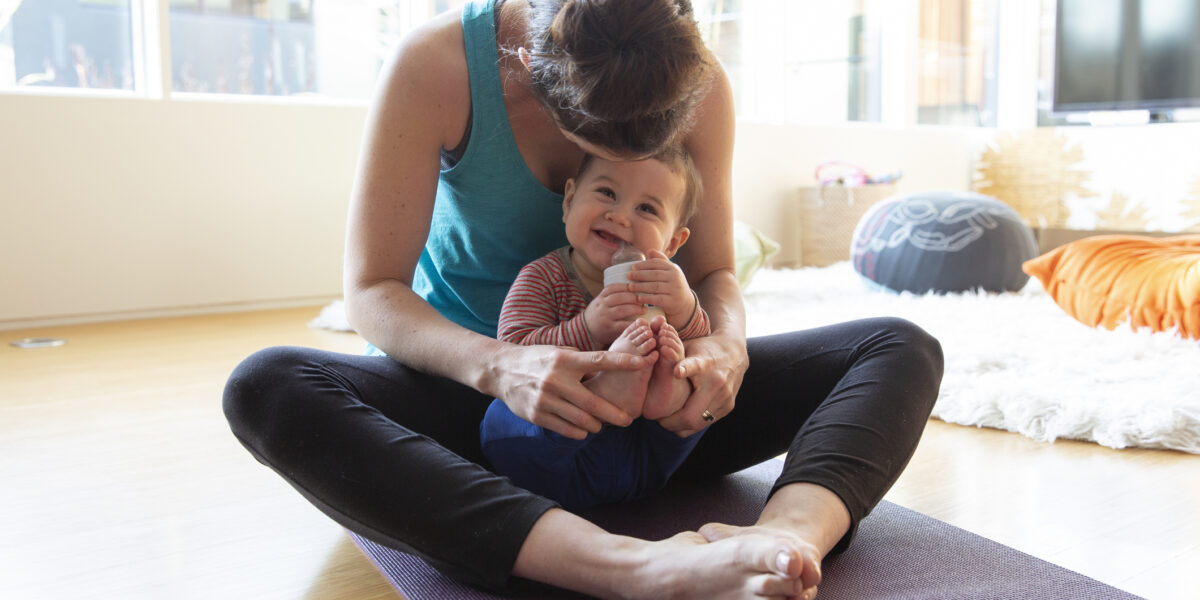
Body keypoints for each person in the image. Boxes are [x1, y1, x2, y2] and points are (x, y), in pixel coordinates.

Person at [222, 0, 944, 598]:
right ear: (532, 68)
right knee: (268, 386)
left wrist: (722, 344)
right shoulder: (437, 65)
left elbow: (717, 273)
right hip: (477, 409)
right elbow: (372, 291)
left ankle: (783, 545)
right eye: (603, 154)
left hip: (652, 409)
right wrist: (501, 367)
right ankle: (634, 568)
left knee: (898, 347)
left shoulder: (698, 82)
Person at [481, 148, 711, 509]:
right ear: (569, 200)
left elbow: (704, 345)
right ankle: (609, 388)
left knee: (703, 379)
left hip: (646, 456)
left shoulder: (662, 288)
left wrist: (685, 310)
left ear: (671, 243)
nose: (619, 216)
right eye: (607, 193)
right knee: (500, 416)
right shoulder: (544, 277)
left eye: (647, 209)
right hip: (558, 457)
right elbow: (512, 350)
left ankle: (667, 392)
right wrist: (586, 329)